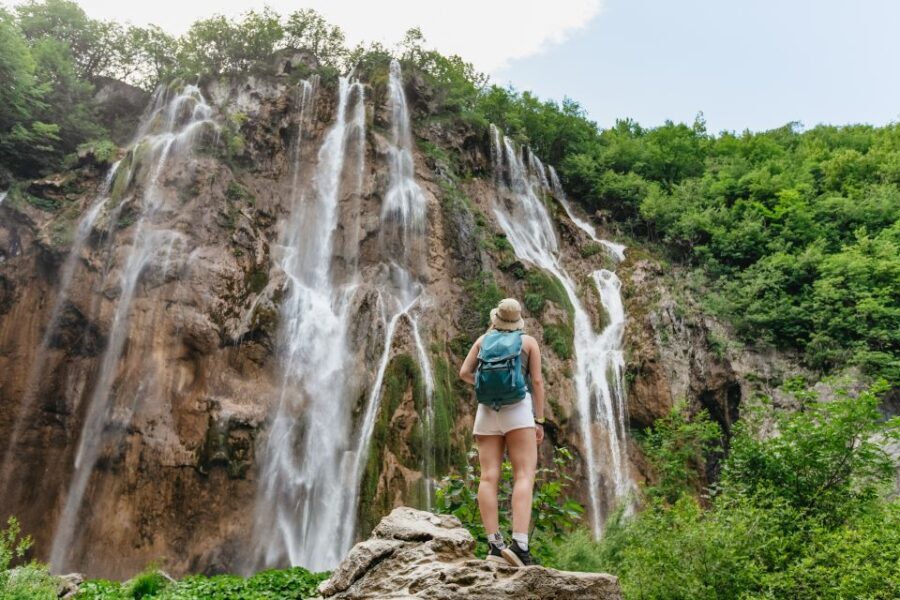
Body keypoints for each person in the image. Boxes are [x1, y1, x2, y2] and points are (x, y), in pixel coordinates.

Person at [459, 297, 545, 567]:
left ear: (496, 318)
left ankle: (495, 546)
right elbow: (538, 382)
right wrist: (539, 420)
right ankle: (519, 545)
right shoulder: (528, 342)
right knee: (523, 474)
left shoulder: (483, 340)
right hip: (518, 410)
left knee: (488, 477)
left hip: (486, 412)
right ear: (518, 321)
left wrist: (483, 385)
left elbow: (464, 372)